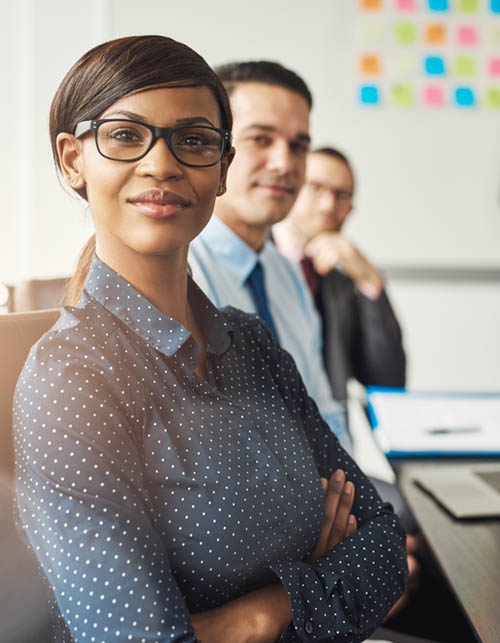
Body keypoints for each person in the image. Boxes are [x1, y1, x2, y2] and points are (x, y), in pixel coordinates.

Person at [14, 35, 407, 643]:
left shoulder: (249, 341)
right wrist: (315, 578)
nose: (162, 164)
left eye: (194, 140)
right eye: (125, 134)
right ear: (73, 160)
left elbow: (380, 548)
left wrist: (258, 615)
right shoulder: (72, 378)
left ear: (220, 170)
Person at [273, 147, 406, 405]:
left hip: (328, 437)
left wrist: (370, 282)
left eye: (341, 195)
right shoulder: (254, 257)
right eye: (316, 188)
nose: (328, 206)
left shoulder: (342, 280)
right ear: (293, 186)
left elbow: (388, 380)